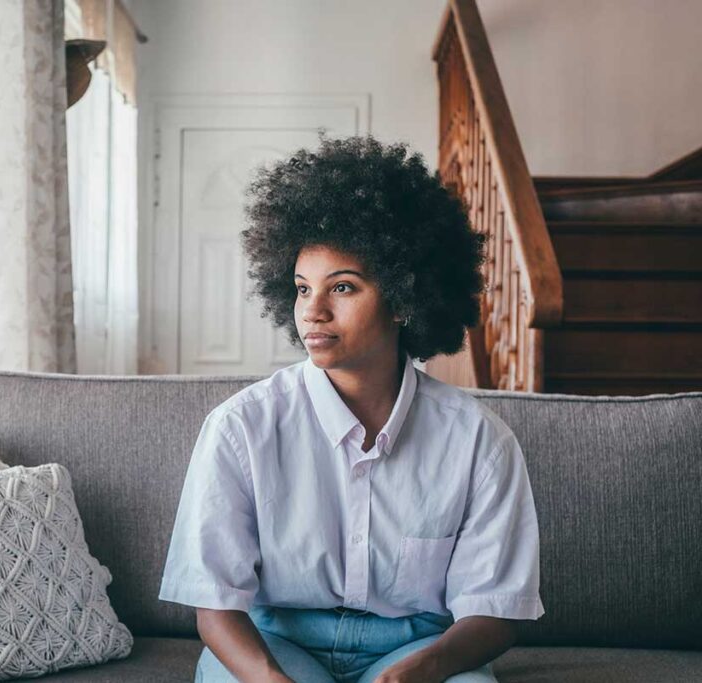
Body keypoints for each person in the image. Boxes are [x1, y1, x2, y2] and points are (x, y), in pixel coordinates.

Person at [157, 136, 545, 683]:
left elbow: (494, 610)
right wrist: (274, 681)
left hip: (417, 649)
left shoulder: (479, 439)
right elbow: (214, 604)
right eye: (300, 288)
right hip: (276, 644)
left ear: (405, 298)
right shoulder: (240, 427)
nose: (312, 311)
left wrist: (419, 670)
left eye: (342, 287)